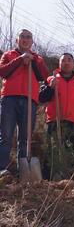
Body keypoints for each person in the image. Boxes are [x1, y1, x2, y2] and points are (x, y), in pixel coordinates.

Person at [0, 29, 49, 176]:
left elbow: (44, 75)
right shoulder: (8, 55)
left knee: (25, 137)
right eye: (22, 37)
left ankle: (24, 172)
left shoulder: (38, 58)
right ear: (17, 40)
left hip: (29, 100)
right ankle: (2, 168)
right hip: (9, 98)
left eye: (28, 37)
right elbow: (2, 72)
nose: (25, 39)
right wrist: (20, 59)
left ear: (32, 42)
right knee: (6, 135)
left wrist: (32, 60)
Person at [39, 53, 74, 178]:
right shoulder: (51, 79)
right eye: (63, 60)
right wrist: (51, 87)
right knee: (52, 152)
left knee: (73, 153)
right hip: (55, 121)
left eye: (69, 60)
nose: (66, 63)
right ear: (59, 63)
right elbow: (41, 98)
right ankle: (48, 181)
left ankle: (70, 181)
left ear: (73, 63)